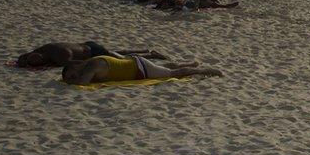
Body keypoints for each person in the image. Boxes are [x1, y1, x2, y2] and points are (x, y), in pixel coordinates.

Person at [61, 55, 222, 85]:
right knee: (165, 67)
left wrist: (72, 82)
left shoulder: (91, 67)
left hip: (139, 69)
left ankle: (203, 70)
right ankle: (188, 63)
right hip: (135, 62)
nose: (71, 79)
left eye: (72, 76)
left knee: (172, 74)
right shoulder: (90, 62)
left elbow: (82, 83)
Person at [17, 41, 166, 67]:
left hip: (91, 51)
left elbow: (71, 63)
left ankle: (151, 55)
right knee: (117, 52)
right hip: (87, 45)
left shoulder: (61, 55)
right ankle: (145, 50)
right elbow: (23, 57)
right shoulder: (42, 50)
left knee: (121, 58)